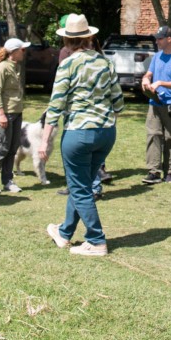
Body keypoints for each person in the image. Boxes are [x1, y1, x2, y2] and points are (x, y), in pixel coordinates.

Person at [41, 14, 124, 257]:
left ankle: (96, 240)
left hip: (78, 132)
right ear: (89, 37)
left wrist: (45, 141)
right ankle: (65, 232)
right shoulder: (105, 63)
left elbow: (55, 105)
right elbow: (119, 103)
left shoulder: (67, 65)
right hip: (106, 133)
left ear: (66, 40)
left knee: (79, 187)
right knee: (82, 185)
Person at [141, 26, 171, 185]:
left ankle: (169, 172)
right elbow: (149, 73)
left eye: (160, 38)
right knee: (153, 135)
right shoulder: (157, 56)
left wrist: (160, 83)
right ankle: (153, 171)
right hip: (154, 103)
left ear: (169, 39)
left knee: (170, 139)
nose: (157, 41)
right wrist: (146, 79)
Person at [0, 37, 31, 195]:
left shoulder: (16, 66)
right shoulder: (2, 67)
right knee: (2, 148)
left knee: (12, 149)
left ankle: (7, 180)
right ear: (14, 52)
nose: (24, 52)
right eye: (22, 50)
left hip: (17, 113)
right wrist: (1, 114)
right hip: (4, 114)